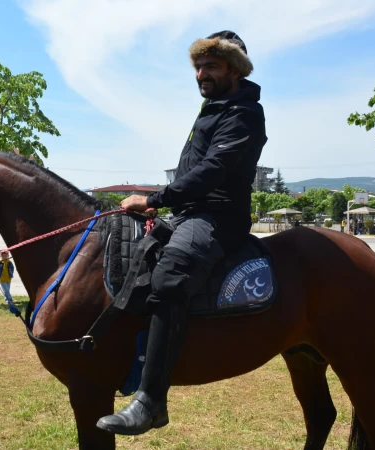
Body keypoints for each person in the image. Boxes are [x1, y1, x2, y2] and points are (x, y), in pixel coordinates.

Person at [97, 31, 267, 436]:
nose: (201, 74)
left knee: (170, 275)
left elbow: (212, 172)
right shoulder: (213, 107)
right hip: (191, 211)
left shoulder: (243, 113)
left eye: (211, 66)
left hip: (218, 217)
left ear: (234, 69)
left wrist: (155, 198)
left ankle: (152, 401)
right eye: (198, 66)